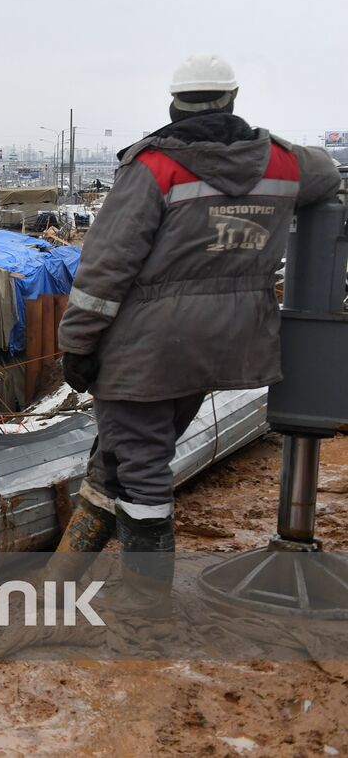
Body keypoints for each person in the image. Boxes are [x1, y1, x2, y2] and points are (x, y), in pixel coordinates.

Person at [53, 54, 341, 606]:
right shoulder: (282, 164)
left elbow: (104, 271)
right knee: (120, 452)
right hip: (226, 345)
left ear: (173, 104)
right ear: (232, 101)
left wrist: (77, 344)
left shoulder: (154, 168)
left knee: (139, 467)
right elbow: (325, 173)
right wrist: (259, 141)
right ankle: (60, 580)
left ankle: (145, 605)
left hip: (147, 348)